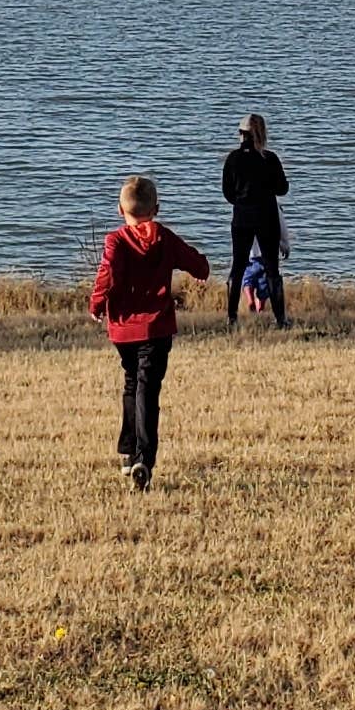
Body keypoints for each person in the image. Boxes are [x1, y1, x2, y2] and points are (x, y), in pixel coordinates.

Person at [88, 174, 209, 490]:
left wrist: (97, 304)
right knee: (147, 389)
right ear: (156, 208)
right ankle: (144, 457)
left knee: (132, 383)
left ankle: (127, 453)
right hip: (156, 327)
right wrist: (203, 268)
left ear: (119, 210)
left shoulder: (115, 241)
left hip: (123, 330)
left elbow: (107, 274)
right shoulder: (164, 238)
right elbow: (196, 263)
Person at [220, 114, 290, 329]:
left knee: (238, 266)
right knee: (271, 269)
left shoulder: (232, 159)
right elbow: (282, 188)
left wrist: (242, 201)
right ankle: (280, 319)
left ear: (241, 134)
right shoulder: (269, 158)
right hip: (266, 216)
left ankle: (232, 317)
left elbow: (227, 192)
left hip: (242, 216)